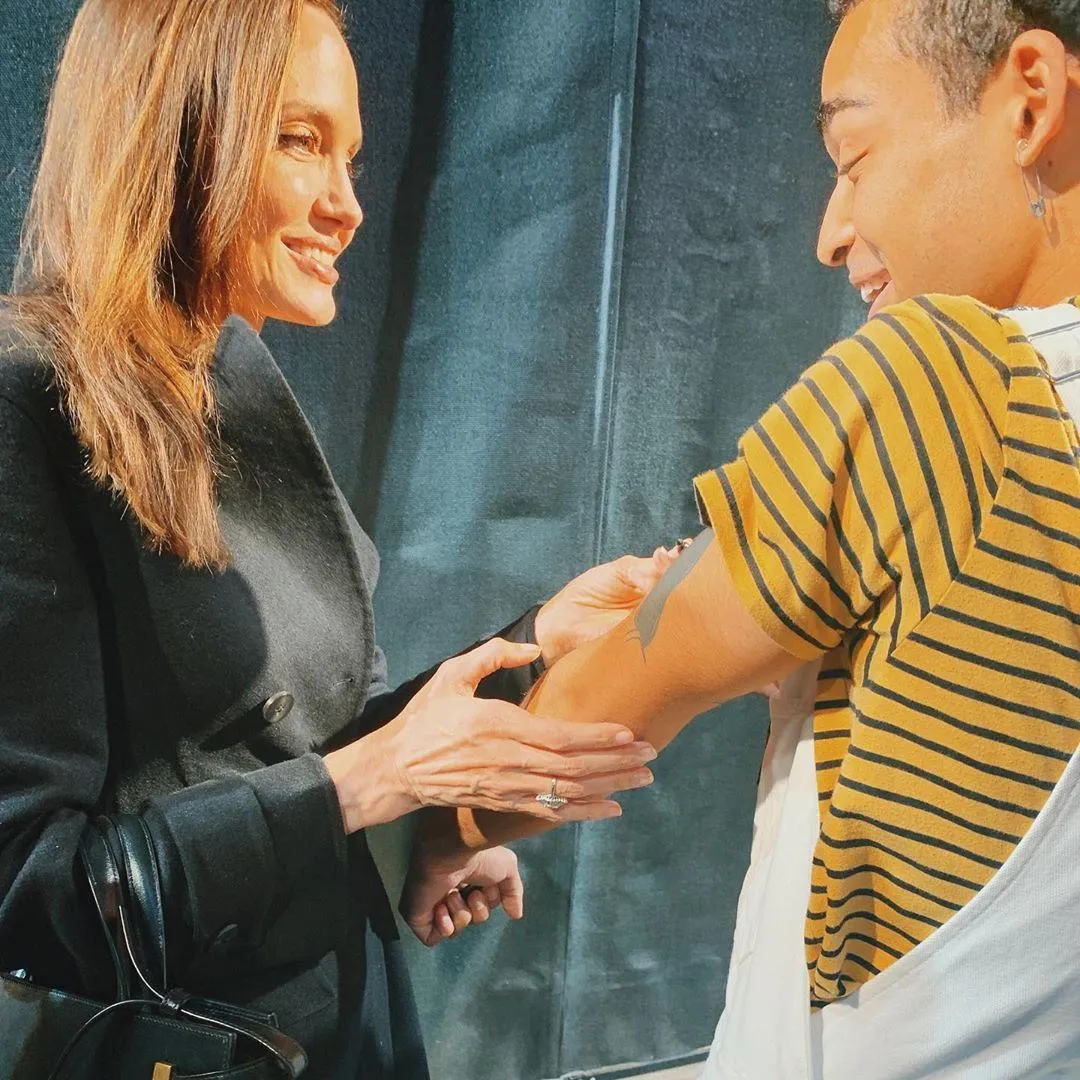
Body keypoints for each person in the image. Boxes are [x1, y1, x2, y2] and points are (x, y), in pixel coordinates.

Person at [405, 1, 1080, 1076]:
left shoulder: (946, 378)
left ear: (1030, 100)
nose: (830, 232)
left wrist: (430, 833)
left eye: (854, 159)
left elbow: (592, 718)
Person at [0, 2, 668, 1077]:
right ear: (177, 133)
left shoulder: (234, 375)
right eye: (299, 141)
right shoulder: (26, 402)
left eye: (350, 155)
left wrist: (531, 646)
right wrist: (372, 785)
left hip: (340, 1023)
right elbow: (29, 897)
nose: (347, 204)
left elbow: (303, 752)